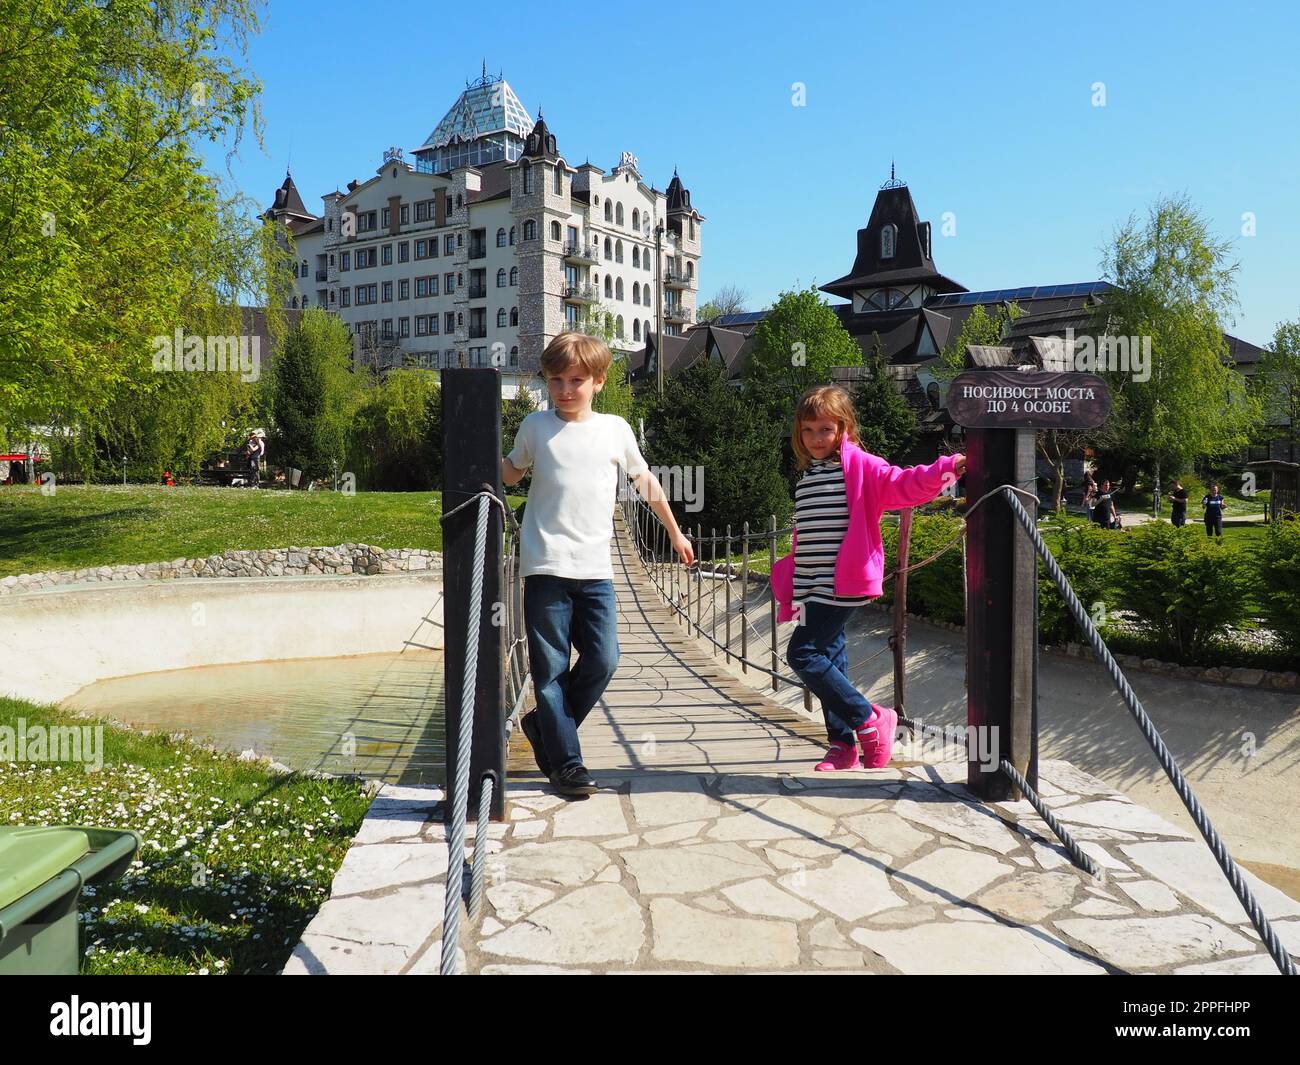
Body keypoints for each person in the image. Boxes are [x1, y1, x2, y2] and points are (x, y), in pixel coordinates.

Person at [502, 333, 694, 797]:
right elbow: (511, 471)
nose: (566, 389)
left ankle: (542, 726)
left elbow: (645, 480)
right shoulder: (535, 426)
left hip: (595, 571)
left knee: (604, 660)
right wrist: (485, 463)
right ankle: (567, 764)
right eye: (556, 380)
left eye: (577, 380)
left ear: (599, 382)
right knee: (549, 670)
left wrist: (674, 531)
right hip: (545, 565)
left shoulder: (615, 428)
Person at [770, 385, 965, 772]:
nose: (815, 439)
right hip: (811, 586)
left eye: (825, 429)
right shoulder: (808, 476)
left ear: (843, 428)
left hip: (840, 586)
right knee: (831, 657)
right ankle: (843, 746)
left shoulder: (859, 466)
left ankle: (870, 718)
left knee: (802, 654)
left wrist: (945, 469)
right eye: (807, 430)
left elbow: (902, 483)